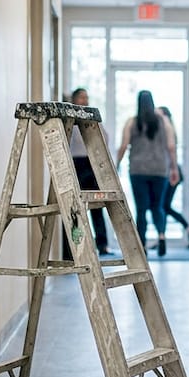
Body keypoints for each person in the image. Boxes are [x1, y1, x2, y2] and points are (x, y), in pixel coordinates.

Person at [116, 90, 178, 256]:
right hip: (159, 170)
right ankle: (161, 236)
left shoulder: (132, 122)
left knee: (141, 209)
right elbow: (171, 146)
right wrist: (174, 168)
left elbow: (123, 146)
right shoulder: (163, 121)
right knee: (157, 207)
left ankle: (142, 245)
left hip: (138, 170)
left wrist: (116, 164)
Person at [62, 87, 111, 258]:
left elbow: (104, 138)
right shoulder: (68, 120)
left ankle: (102, 244)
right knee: (74, 206)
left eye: (87, 97)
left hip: (91, 164)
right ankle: (75, 245)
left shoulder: (91, 120)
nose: (85, 101)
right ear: (74, 100)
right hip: (76, 164)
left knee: (97, 206)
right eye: (82, 98)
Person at [156, 106, 189, 248]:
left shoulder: (168, 130)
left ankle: (186, 229)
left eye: (159, 115)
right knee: (164, 206)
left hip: (171, 173)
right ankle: (162, 237)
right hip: (170, 172)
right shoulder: (167, 130)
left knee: (163, 206)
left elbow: (170, 151)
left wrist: (172, 171)